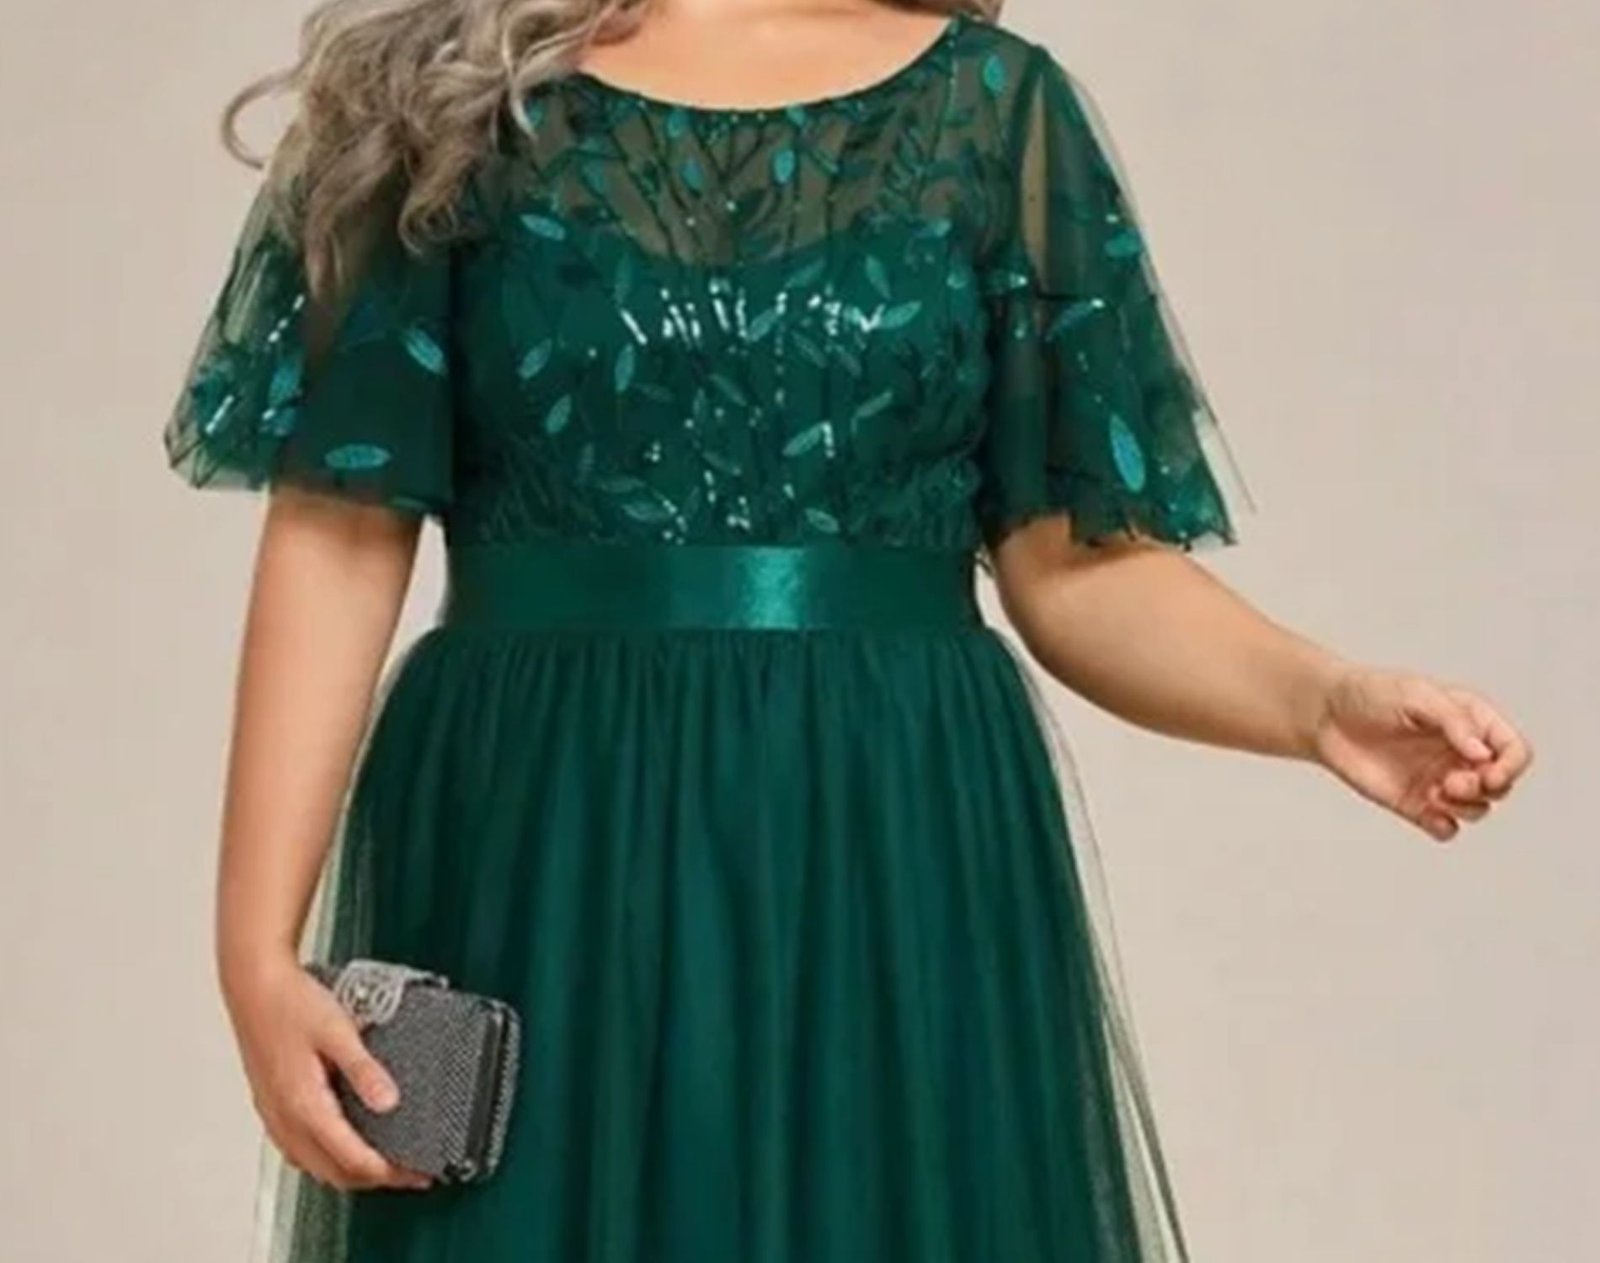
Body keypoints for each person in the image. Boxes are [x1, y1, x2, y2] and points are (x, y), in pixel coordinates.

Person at [164, 2, 1533, 1261]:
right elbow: (339, 533)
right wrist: (254, 955)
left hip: (892, 839)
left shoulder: (997, 109)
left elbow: (1076, 569)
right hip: (545, 837)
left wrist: (1316, 700)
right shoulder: (435, 101)